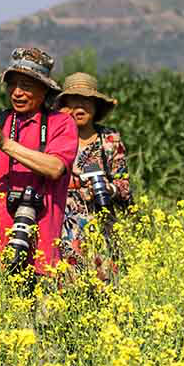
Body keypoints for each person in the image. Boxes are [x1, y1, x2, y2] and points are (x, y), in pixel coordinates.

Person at [0, 48, 77, 277]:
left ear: (45, 90)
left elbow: (55, 167)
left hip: (41, 248)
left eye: (27, 86)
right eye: (12, 85)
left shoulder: (61, 123)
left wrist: (4, 143)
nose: (17, 93)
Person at [54, 71, 132, 277]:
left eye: (86, 101)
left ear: (96, 106)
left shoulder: (110, 139)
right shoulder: (54, 140)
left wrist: (108, 188)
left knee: (105, 297)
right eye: (74, 100)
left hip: (102, 232)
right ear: (64, 106)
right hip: (62, 231)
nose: (80, 107)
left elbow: (125, 188)